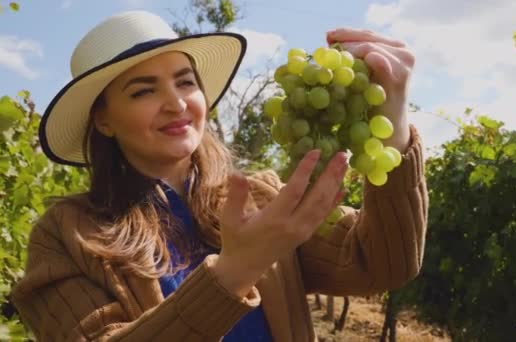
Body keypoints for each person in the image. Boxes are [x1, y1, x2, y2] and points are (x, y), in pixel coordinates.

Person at [10, 10, 427, 342]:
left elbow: (383, 263)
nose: (176, 103)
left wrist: (394, 114)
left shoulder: (263, 198)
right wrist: (237, 270)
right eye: (143, 91)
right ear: (102, 120)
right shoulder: (64, 237)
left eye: (185, 82)